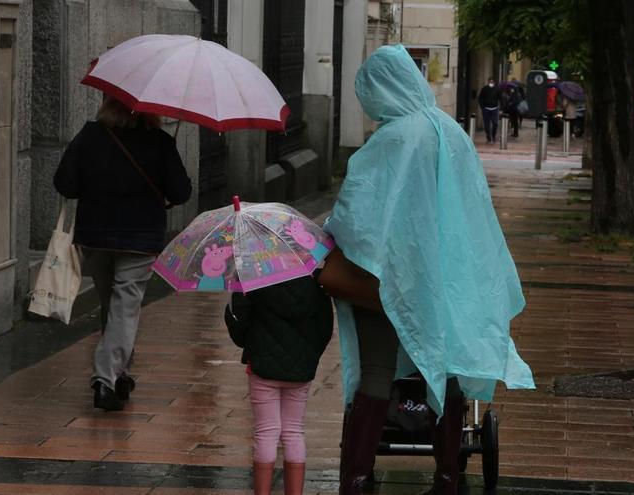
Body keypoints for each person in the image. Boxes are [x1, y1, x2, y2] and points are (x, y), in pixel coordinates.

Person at [317, 45, 535, 495]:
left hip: (387, 282)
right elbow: (473, 208)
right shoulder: (451, 132)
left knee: (378, 370)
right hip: (445, 281)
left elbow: (358, 213)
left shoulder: (393, 139)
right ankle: (447, 476)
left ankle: (356, 478)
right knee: (447, 366)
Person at [54, 95, 192, 411]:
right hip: (139, 241)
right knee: (124, 308)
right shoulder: (159, 142)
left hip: (96, 237)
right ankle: (105, 379)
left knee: (113, 306)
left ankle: (120, 374)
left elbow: (65, 184)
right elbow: (181, 193)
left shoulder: (90, 135)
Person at [224, 276, 334, 495]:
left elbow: (239, 327)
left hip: (262, 368)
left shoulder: (252, 279)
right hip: (301, 369)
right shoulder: (314, 283)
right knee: (294, 431)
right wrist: (308, 356)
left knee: (266, 432)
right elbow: (325, 328)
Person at [477, 77, 501, 143]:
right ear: (488, 82)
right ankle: (488, 137)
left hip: (494, 109)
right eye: (490, 82)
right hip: (486, 109)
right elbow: (480, 98)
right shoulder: (484, 89)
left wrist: (501, 109)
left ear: (494, 83)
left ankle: (493, 135)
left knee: (495, 123)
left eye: (492, 82)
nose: (491, 83)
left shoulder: (497, 89)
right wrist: (482, 107)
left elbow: (500, 98)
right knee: (487, 124)